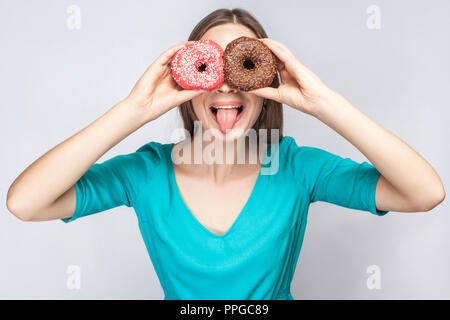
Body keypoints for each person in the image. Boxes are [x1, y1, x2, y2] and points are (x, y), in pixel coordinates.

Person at [6, 8, 445, 300]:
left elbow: (424, 192)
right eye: (209, 67)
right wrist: (132, 110)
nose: (227, 84)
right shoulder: (146, 173)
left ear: (266, 85)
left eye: (243, 66)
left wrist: (322, 100)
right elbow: (26, 202)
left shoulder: (296, 167)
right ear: (187, 83)